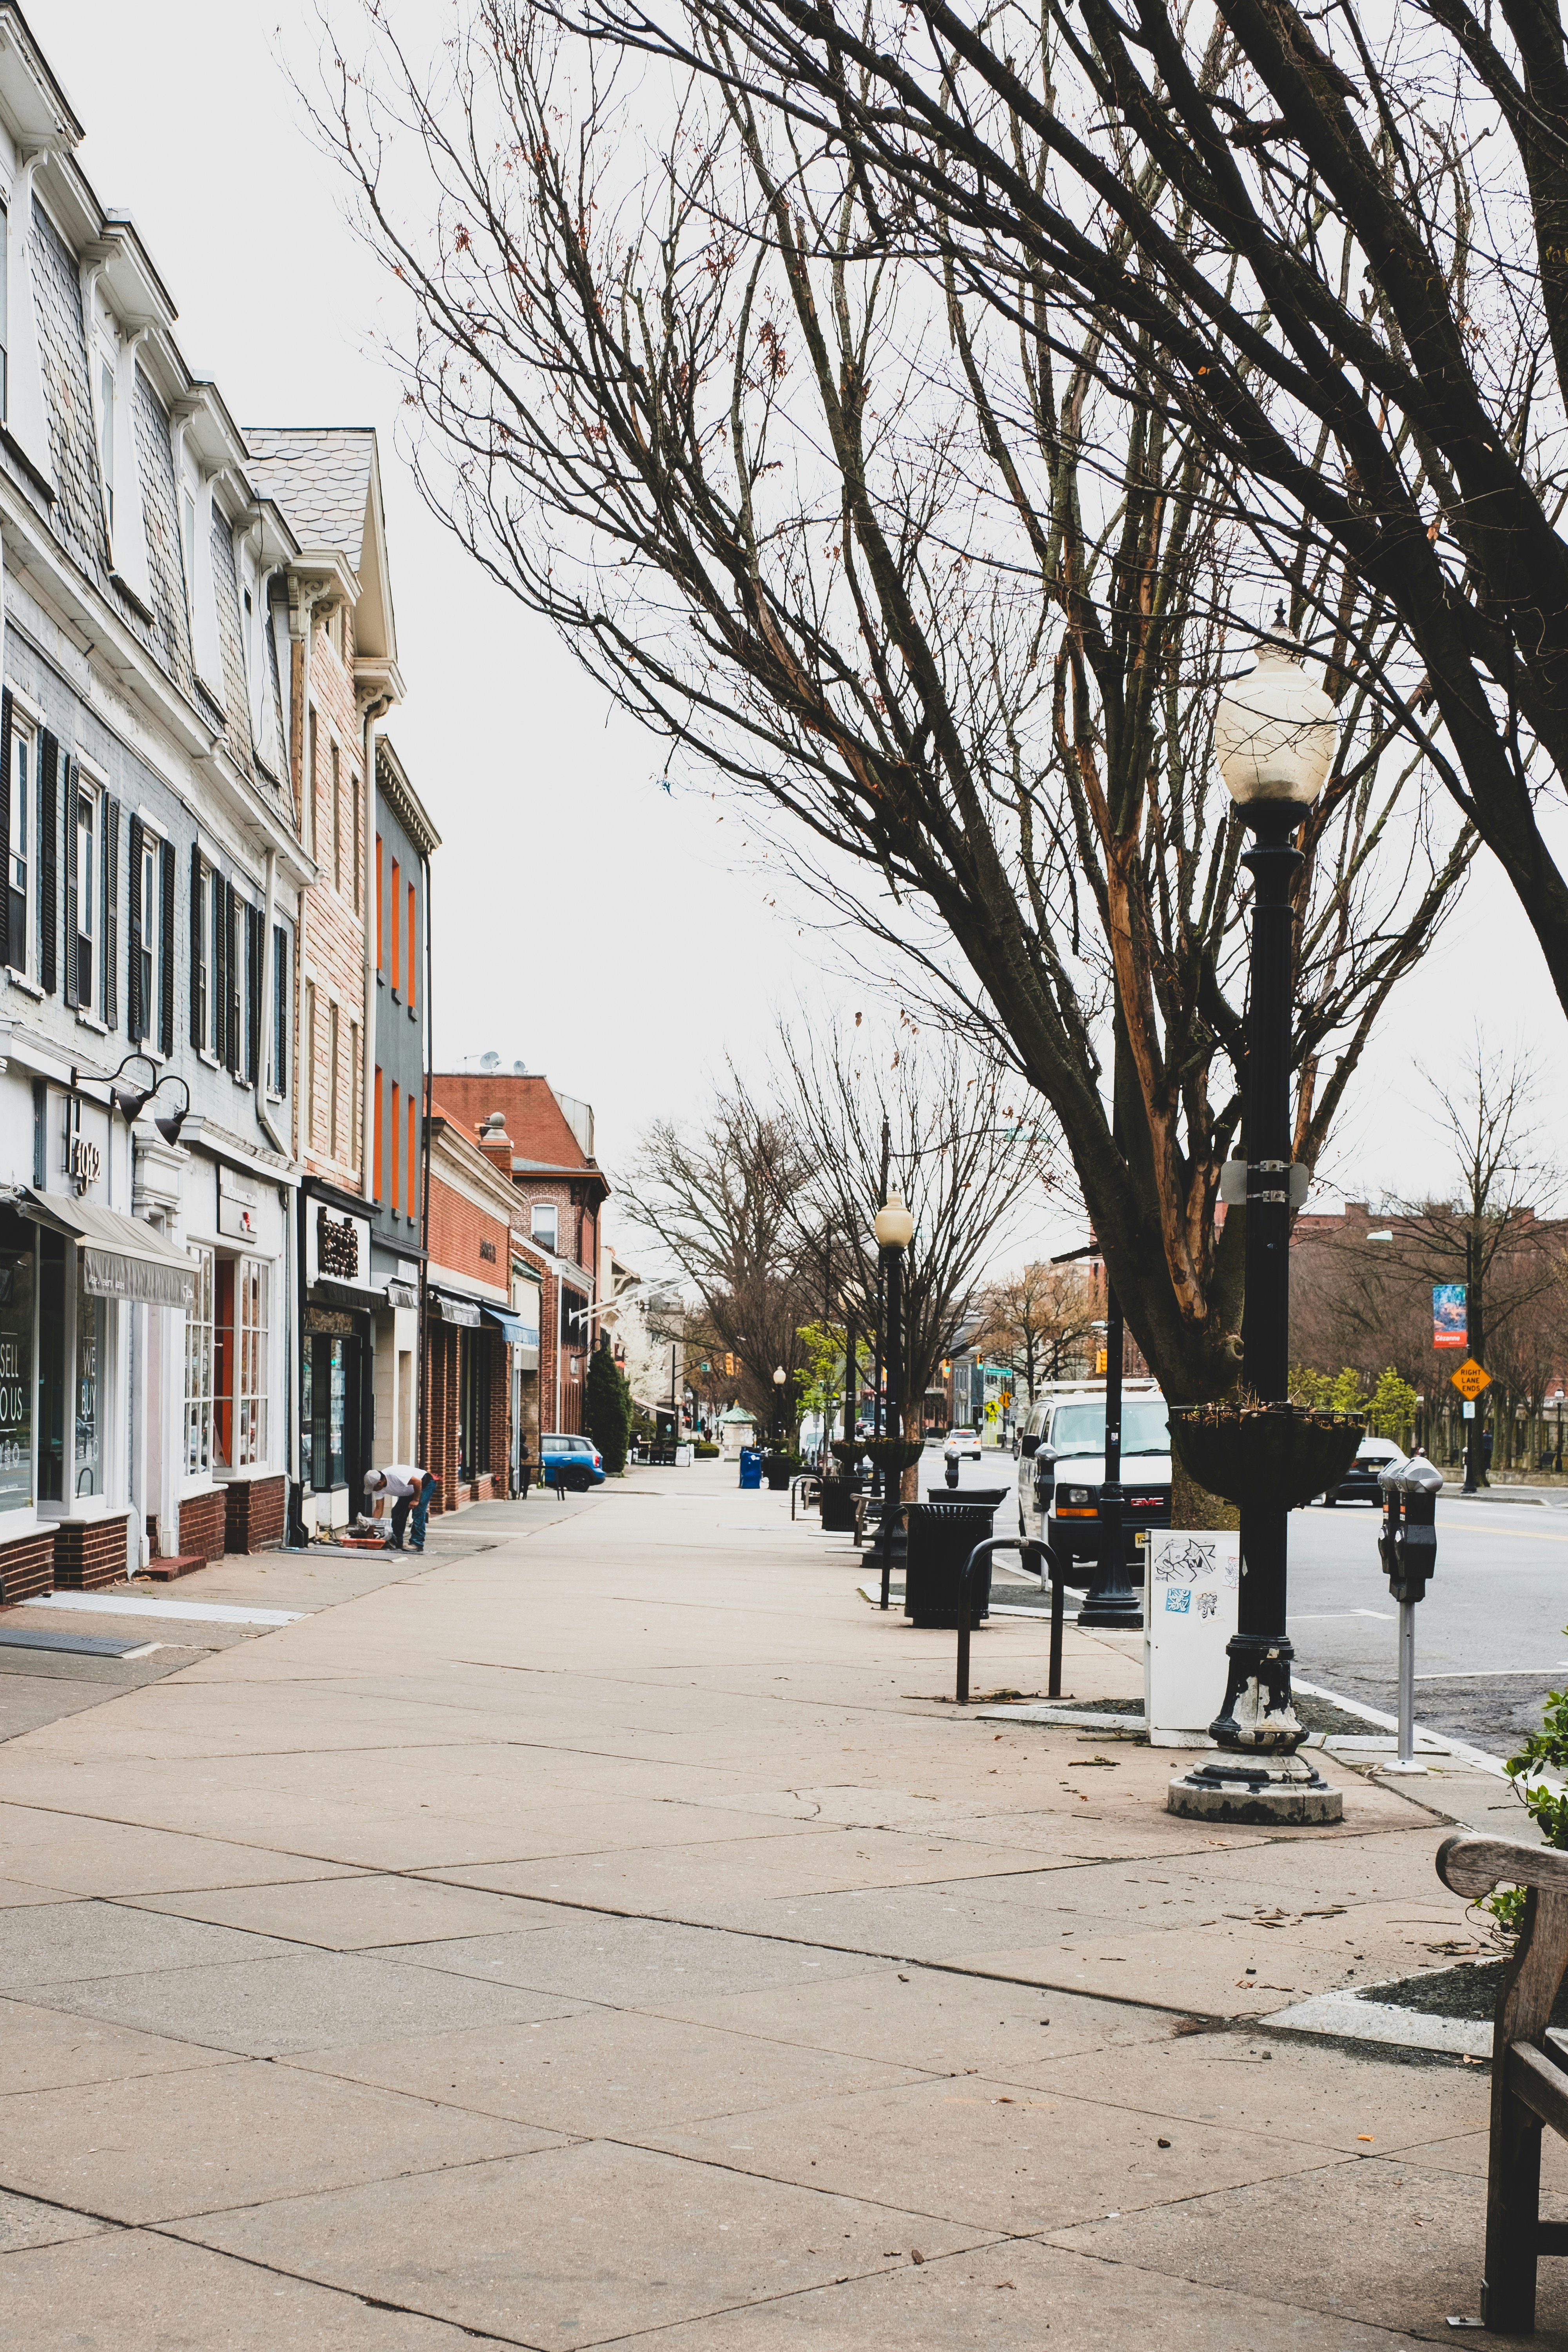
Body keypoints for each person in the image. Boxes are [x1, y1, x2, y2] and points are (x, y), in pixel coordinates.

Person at [363, 1465, 440, 1552]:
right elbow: (379, 1509)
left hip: (425, 1484)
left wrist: (416, 1500)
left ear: (380, 1482)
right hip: (410, 1491)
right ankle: (397, 1542)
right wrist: (372, 1528)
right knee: (397, 1512)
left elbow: (418, 1482)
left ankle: (417, 1543)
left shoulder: (395, 1474)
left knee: (418, 1511)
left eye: (374, 1488)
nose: (374, 1490)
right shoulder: (379, 1488)